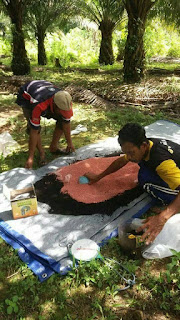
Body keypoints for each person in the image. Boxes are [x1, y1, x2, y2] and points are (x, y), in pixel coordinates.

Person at [85, 123, 180, 245]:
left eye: (131, 153)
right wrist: (99, 176)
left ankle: (171, 205)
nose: (129, 157)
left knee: (146, 182)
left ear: (143, 146)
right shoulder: (146, 144)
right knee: (143, 172)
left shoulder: (162, 163)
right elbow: (121, 161)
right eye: (126, 153)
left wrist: (163, 217)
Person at [16, 80, 75, 169]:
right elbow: (34, 131)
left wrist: (70, 143)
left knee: (61, 121)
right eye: (61, 111)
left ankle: (53, 148)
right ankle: (41, 154)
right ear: (55, 106)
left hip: (45, 89)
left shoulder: (65, 100)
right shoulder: (39, 105)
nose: (63, 113)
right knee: (36, 127)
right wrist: (30, 157)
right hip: (26, 96)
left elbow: (66, 122)